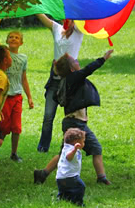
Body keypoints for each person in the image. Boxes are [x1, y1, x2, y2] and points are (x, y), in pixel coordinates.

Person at [34, 50, 113, 185]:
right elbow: (88, 70)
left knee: (93, 149)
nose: (78, 62)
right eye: (75, 61)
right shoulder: (72, 79)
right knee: (81, 150)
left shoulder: (68, 81)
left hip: (76, 122)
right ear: (72, 68)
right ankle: (101, 178)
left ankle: (101, 177)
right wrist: (103, 59)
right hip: (75, 123)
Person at [36, 14, 84, 152]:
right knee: (48, 116)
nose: (67, 20)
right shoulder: (57, 28)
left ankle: (70, 146)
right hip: (55, 80)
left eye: (70, 17)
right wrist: (34, 5)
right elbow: (42, 17)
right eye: (66, 17)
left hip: (70, 81)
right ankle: (43, 147)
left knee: (71, 118)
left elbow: (87, 17)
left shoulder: (78, 31)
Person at [0, 19, 34, 162]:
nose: (14, 39)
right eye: (11, 37)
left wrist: (29, 97)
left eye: (17, 37)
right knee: (2, 127)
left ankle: (14, 153)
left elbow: (24, 79)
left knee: (16, 127)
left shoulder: (23, 58)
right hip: (5, 97)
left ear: (21, 42)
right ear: (7, 41)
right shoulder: (4, 53)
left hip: (17, 97)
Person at [56, 128, 87, 206]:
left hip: (60, 177)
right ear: (76, 142)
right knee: (80, 187)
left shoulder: (66, 147)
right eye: (83, 141)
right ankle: (77, 202)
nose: (84, 143)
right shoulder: (71, 149)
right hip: (70, 176)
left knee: (64, 191)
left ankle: (62, 200)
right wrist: (75, 149)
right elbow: (68, 157)